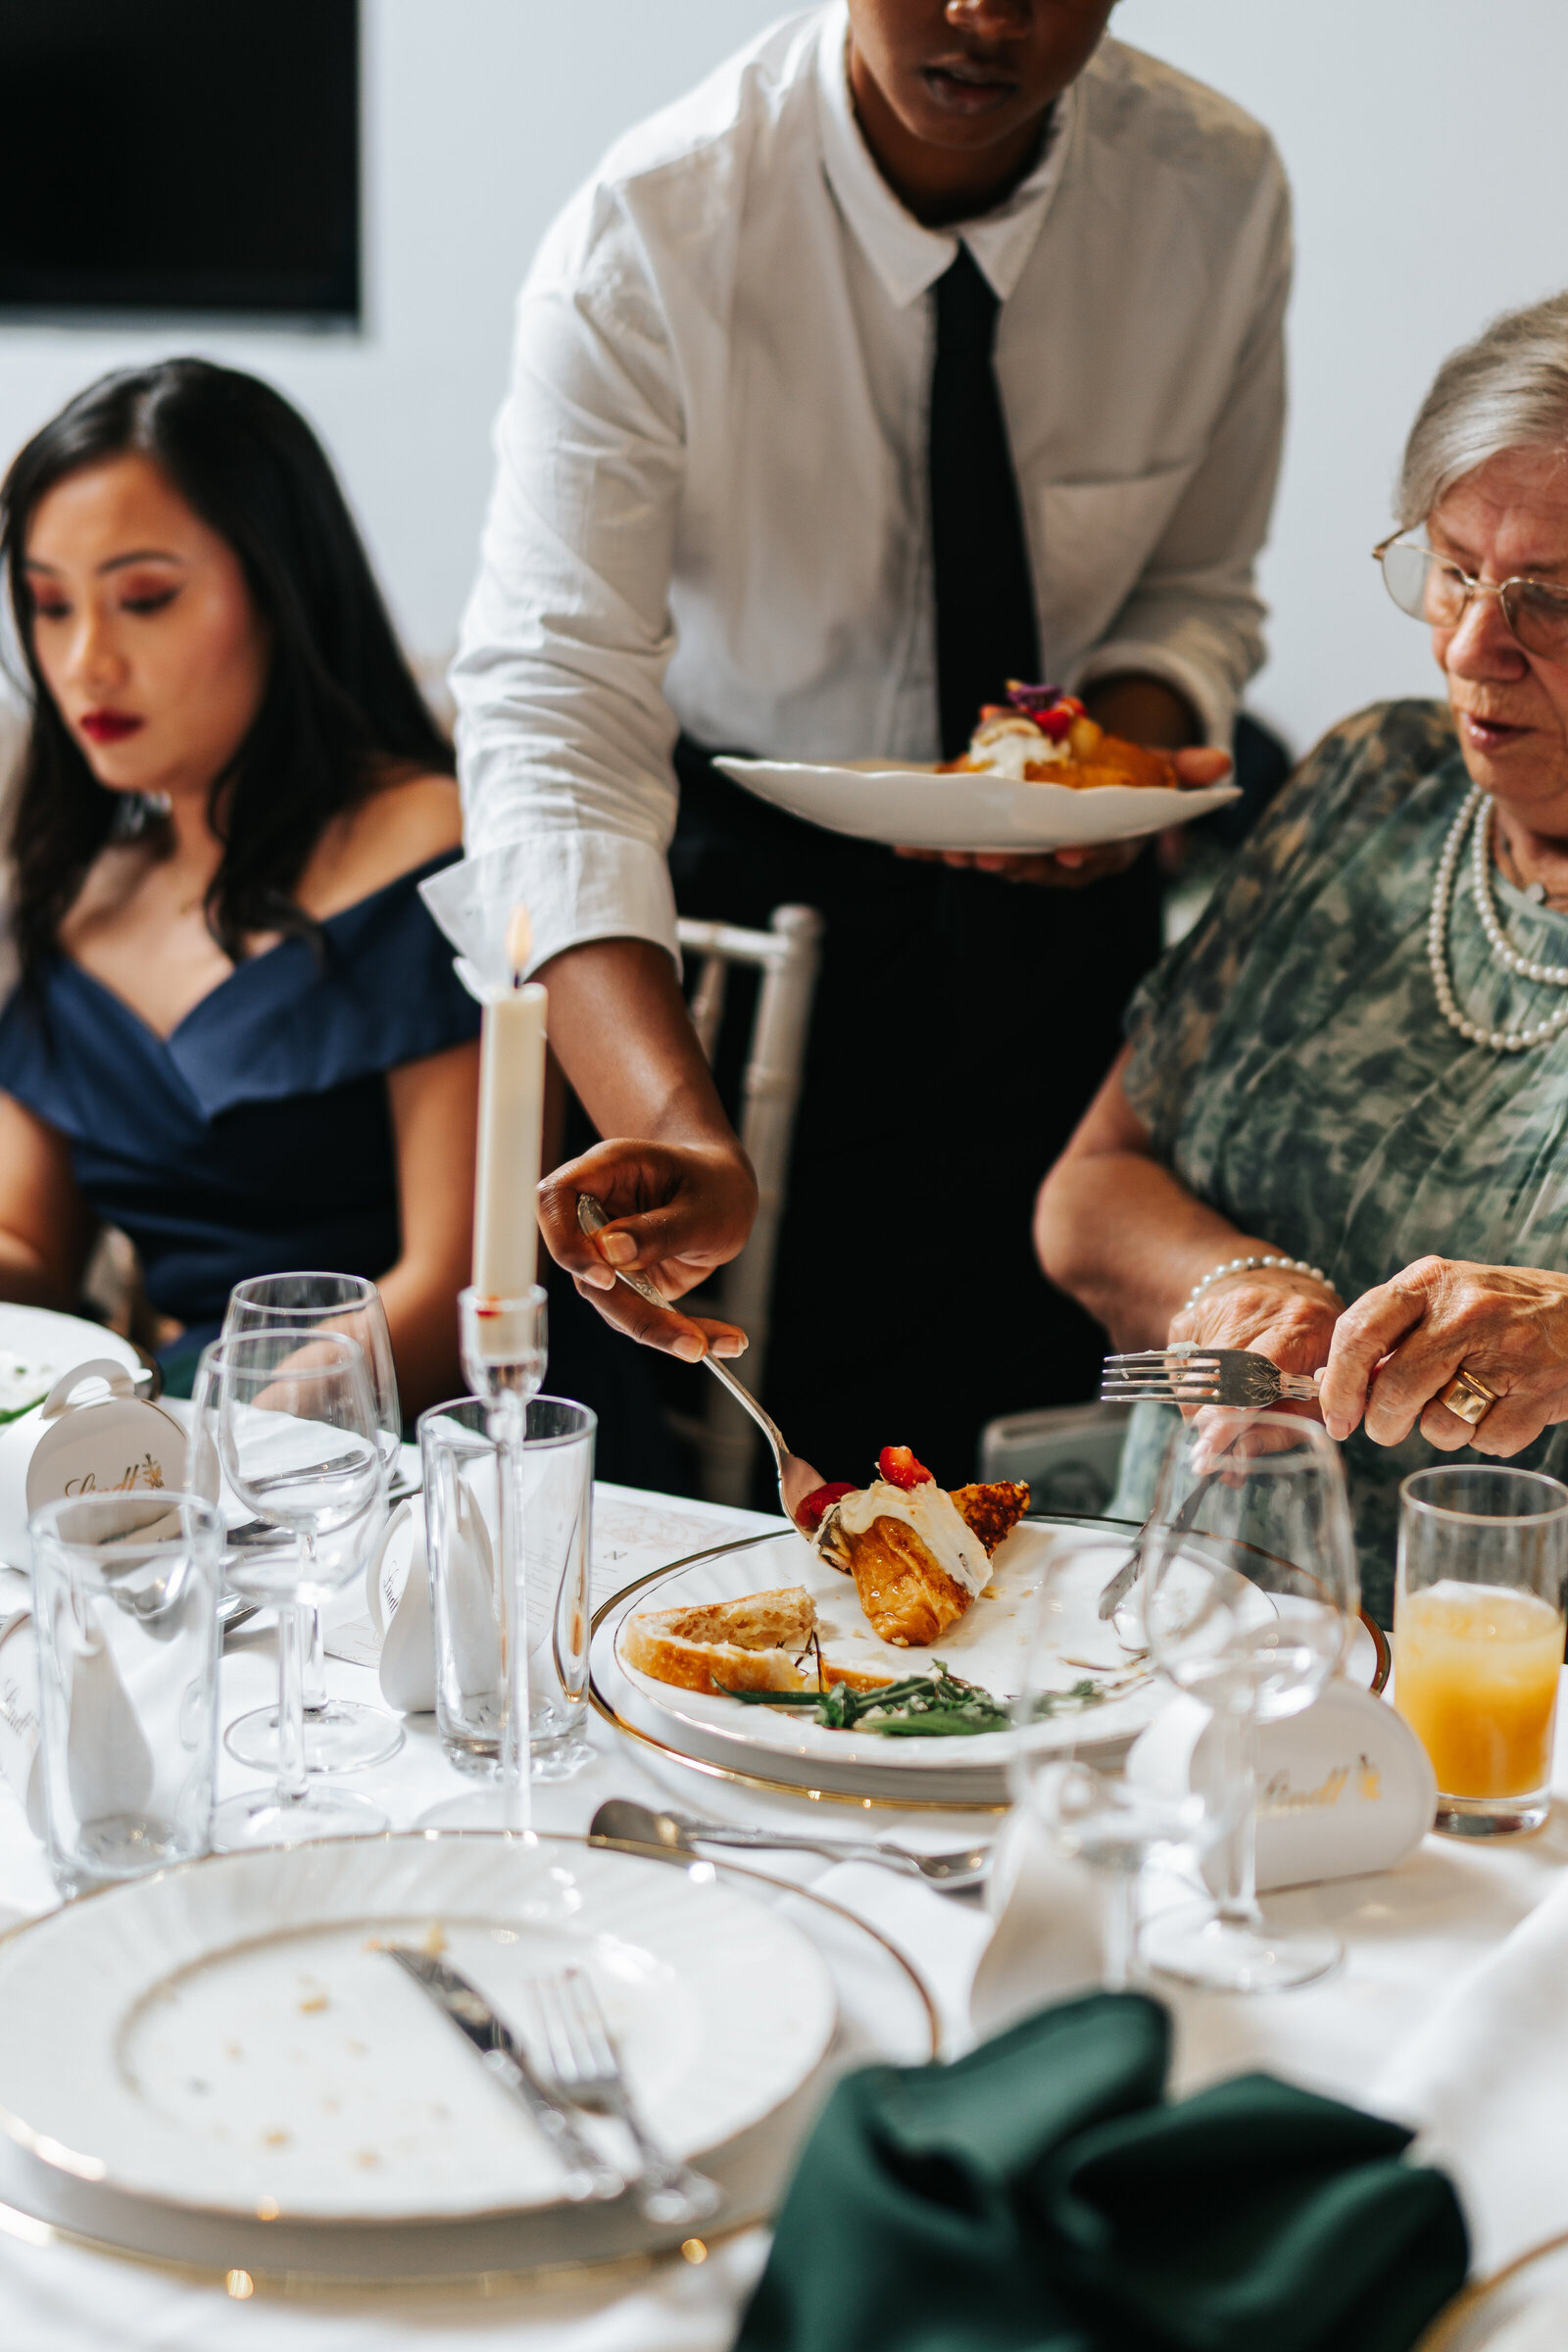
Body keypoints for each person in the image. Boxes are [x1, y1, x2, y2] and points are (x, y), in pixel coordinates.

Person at [429, 0, 1287, 1486]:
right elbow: (554, 706)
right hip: (769, 932)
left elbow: (1194, 597)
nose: (985, 14)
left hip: (1070, 929)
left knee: (1079, 1477)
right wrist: (673, 1121)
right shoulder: (655, 228)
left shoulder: (1212, 192)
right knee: (803, 1493)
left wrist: (1109, 765)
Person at [1036, 289, 1568, 1624]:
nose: (1468, 649)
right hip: (1184, 1637)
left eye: (1550, 602)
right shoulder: (1368, 785)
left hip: (1510, 1716)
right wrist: (1232, 1291)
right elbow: (1087, 1195)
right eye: (1453, 569)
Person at [0, 360, 480, 1411]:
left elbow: (457, 1285)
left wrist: (234, 1448)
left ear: (280, 583)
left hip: (422, 1447)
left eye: (144, 599)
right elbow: (30, 1246)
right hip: (177, 1435)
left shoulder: (441, 849)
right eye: (46, 606)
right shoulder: (74, 896)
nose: (84, 662)